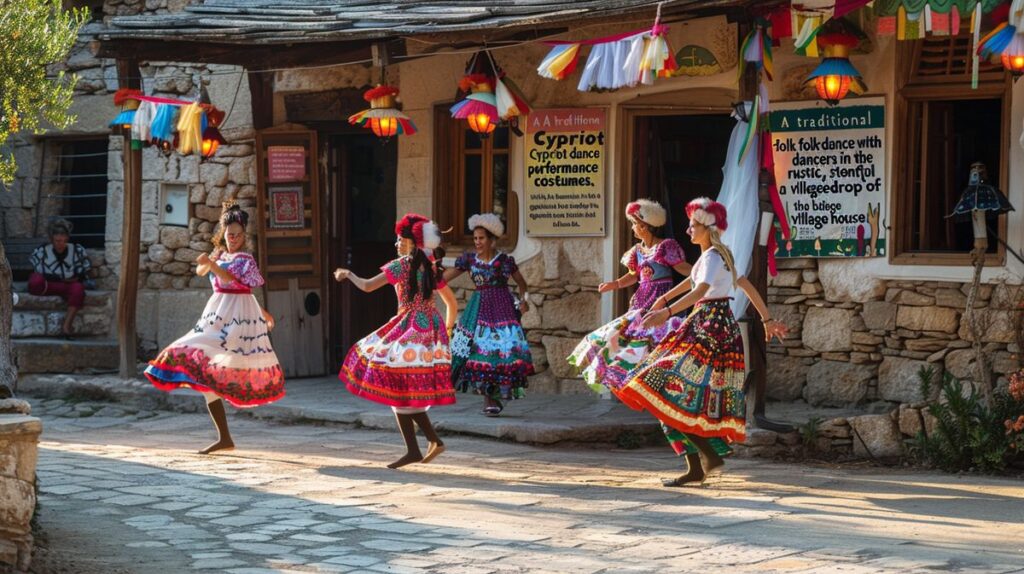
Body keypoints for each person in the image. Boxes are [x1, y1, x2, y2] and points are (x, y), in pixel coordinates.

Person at [618, 198, 788, 487]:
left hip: (709, 327)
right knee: (674, 394)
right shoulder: (716, 257)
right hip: (709, 325)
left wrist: (666, 312)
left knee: (663, 388)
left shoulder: (712, 258)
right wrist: (662, 299)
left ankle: (706, 456)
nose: (688, 230)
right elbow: (734, 284)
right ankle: (700, 462)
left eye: (693, 225)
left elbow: (701, 290)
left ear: (707, 228)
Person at [145, 203, 284, 454]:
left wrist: (261, 314)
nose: (234, 239)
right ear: (223, 233)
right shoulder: (220, 254)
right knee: (197, 359)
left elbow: (239, 284)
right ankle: (224, 438)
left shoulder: (245, 259)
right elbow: (202, 271)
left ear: (244, 235)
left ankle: (225, 436)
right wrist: (207, 262)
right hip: (216, 314)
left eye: (238, 235)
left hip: (237, 318)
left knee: (229, 365)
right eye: (230, 234)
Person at [336, 213, 457, 469]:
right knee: (405, 390)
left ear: (414, 242)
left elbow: (368, 286)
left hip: (408, 328)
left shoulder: (401, 265)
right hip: (429, 332)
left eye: (401, 239)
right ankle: (430, 442)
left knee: (395, 384)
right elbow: (451, 303)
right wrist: (446, 328)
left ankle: (418, 448)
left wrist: (348, 275)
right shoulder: (432, 267)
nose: (397, 243)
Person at [568, 200, 691, 395]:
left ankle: (658, 388)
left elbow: (682, 267)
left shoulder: (666, 247)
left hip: (659, 302)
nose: (633, 228)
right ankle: (629, 381)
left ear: (644, 226)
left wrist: (700, 274)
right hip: (641, 302)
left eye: (634, 223)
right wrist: (615, 284)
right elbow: (633, 275)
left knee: (656, 344)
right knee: (630, 339)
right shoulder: (637, 251)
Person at [445, 213, 533, 417]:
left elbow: (522, 284)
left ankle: (493, 398)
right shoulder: (469, 260)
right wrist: (430, 275)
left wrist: (523, 301)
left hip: (502, 309)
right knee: (477, 351)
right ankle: (488, 399)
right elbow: (444, 279)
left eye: (482, 238)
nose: (477, 242)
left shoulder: (505, 261)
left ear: (492, 240)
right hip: (478, 308)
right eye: (475, 238)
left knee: (499, 352)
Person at [28, 219, 92, 339]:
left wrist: (75, 277)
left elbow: (84, 268)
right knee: (35, 281)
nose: (60, 243)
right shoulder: (43, 251)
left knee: (78, 289)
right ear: (52, 240)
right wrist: (59, 278)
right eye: (57, 241)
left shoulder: (76, 251)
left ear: (67, 239)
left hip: (68, 286)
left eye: (63, 240)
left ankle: (66, 327)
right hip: (48, 285)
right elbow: (38, 269)